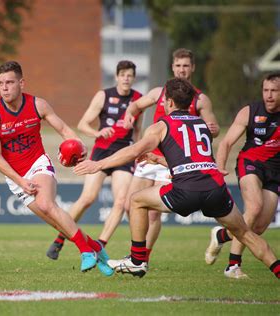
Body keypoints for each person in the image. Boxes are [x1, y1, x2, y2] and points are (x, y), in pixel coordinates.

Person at [74, 77, 280, 279]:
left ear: (170, 102)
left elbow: (134, 150)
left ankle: (137, 261)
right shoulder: (201, 124)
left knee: (136, 200)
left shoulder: (161, 125)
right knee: (245, 233)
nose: (163, 103)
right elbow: (196, 162)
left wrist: (98, 164)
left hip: (187, 190)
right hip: (216, 188)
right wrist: (158, 159)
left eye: (164, 100)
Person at [0, 61, 113, 276]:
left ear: (21, 83)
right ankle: (96, 247)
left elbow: (63, 129)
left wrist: (80, 147)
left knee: (45, 204)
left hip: (38, 163)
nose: (4, 88)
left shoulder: (38, 105)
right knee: (57, 223)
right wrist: (20, 181)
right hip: (15, 177)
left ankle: (85, 252)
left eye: (10, 82)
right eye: (0, 83)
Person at [121, 48, 220, 261]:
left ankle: (142, 256)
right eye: (178, 65)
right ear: (172, 67)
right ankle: (138, 249)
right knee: (130, 204)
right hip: (149, 155)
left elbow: (214, 128)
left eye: (186, 65)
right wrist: (129, 116)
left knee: (154, 212)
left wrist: (214, 130)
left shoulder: (200, 99)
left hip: (173, 161)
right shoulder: (159, 93)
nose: (182, 70)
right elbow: (135, 106)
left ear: (192, 68)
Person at [46, 60, 143, 260]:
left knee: (122, 202)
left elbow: (138, 131)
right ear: (116, 77)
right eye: (123, 74)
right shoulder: (104, 95)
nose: (126, 78)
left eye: (130, 75)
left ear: (133, 78)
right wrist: (98, 132)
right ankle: (60, 240)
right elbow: (83, 124)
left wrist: (138, 152)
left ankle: (100, 245)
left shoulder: (138, 99)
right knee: (88, 198)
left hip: (123, 155)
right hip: (101, 152)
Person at [205, 72, 280, 279]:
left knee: (259, 226)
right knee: (253, 207)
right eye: (266, 90)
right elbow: (227, 142)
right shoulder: (250, 111)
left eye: (274, 91)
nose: (269, 95)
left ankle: (222, 235)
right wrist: (218, 170)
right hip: (250, 163)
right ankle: (233, 266)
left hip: (275, 171)